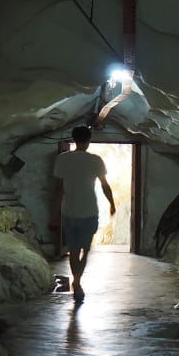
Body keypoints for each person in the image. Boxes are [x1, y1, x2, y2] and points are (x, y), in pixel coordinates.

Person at [53, 125, 115, 302]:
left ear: (73, 139)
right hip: (89, 212)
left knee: (73, 250)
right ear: (88, 141)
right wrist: (112, 204)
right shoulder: (95, 160)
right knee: (85, 251)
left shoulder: (62, 159)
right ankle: (78, 282)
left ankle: (77, 283)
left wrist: (55, 213)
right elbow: (104, 185)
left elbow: (58, 190)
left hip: (70, 212)